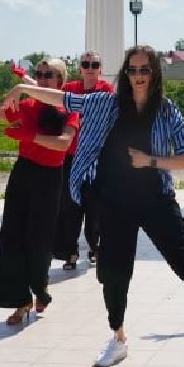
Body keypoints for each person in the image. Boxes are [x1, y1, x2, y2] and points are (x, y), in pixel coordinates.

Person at [9, 44, 184, 367]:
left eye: (144, 70)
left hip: (156, 200)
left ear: (155, 73)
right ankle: (118, 338)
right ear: (125, 74)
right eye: (133, 70)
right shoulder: (106, 104)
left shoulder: (166, 110)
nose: (138, 76)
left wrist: (150, 161)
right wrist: (24, 88)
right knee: (113, 273)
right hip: (115, 202)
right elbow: (64, 99)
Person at [0, 58, 79, 326]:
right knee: (13, 235)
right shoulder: (28, 106)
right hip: (23, 173)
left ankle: (40, 289)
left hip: (50, 177)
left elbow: (64, 144)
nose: (42, 78)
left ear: (60, 81)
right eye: (39, 74)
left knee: (40, 237)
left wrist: (29, 136)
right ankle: (20, 300)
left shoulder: (70, 109)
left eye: (48, 74)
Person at [55, 51, 113, 271]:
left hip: (94, 159)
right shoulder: (70, 88)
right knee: (69, 205)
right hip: (71, 156)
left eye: (94, 64)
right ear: (80, 68)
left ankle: (95, 248)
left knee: (94, 205)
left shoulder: (106, 90)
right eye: (86, 64)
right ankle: (70, 252)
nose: (90, 68)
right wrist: (26, 82)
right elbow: (50, 94)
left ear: (100, 69)